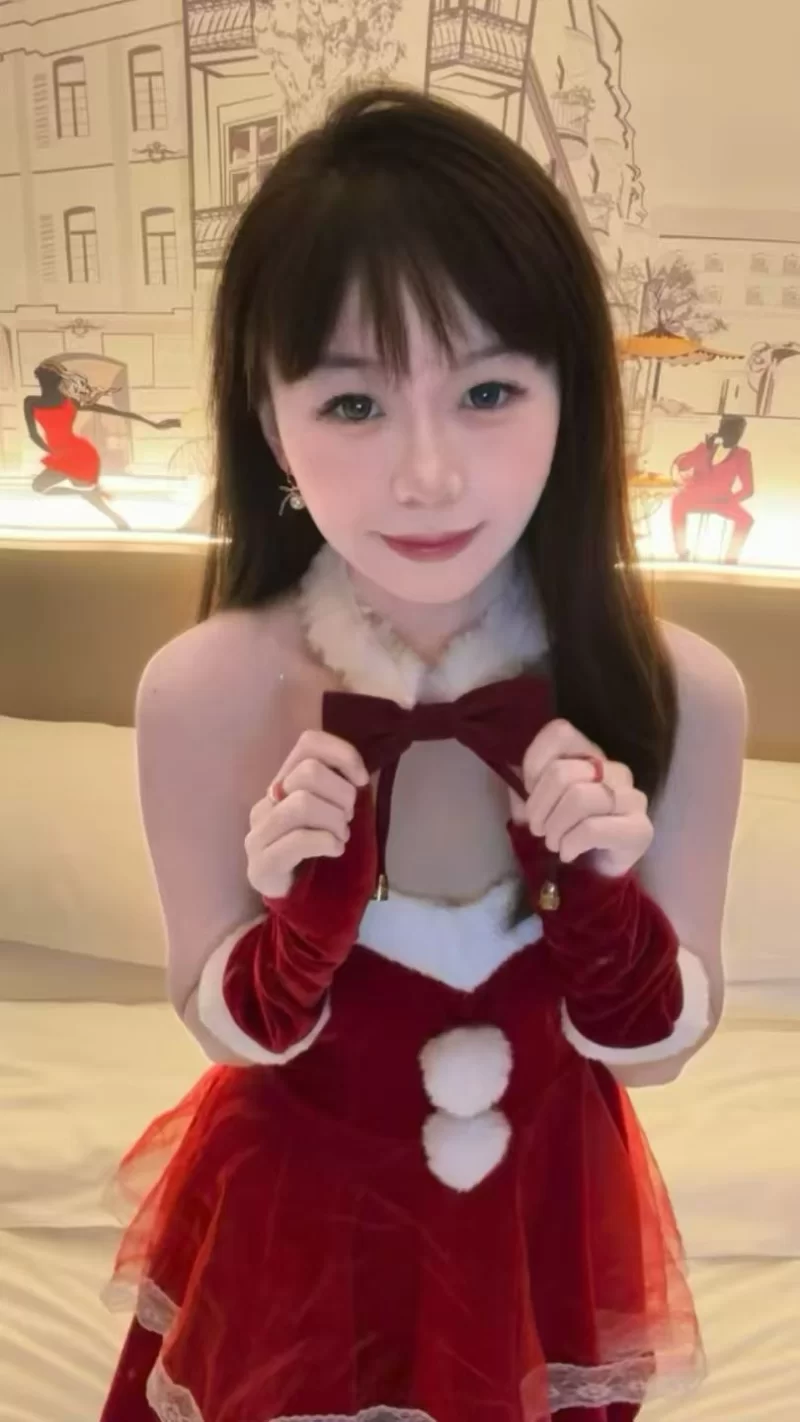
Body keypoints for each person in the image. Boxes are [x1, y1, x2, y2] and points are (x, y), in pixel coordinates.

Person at [100, 87, 747, 1422]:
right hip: (289, 1215)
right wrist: (300, 926)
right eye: (352, 402)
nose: (430, 473)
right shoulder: (202, 690)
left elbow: (658, 1053)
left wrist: (595, 900)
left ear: (571, 400)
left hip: (544, 1212)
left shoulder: (681, 688)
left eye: (489, 389)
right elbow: (222, 1027)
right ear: (268, 423)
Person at [24, 362, 180, 531]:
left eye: (44, 380)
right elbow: (33, 435)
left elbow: (113, 411)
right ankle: (115, 518)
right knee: (45, 488)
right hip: (71, 453)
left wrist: (153, 424)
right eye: (42, 380)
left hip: (76, 454)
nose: (43, 384)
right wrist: (153, 424)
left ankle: (115, 518)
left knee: (43, 487)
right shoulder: (45, 402)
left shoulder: (53, 402)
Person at [670, 415, 755, 564]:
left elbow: (748, 489)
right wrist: (705, 449)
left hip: (721, 500)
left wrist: (729, 500)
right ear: (720, 430)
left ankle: (731, 559)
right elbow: (683, 465)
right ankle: (682, 552)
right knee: (677, 502)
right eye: (728, 430)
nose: (733, 434)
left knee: (746, 520)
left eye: (738, 431)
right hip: (695, 496)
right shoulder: (704, 448)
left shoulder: (742, 455)